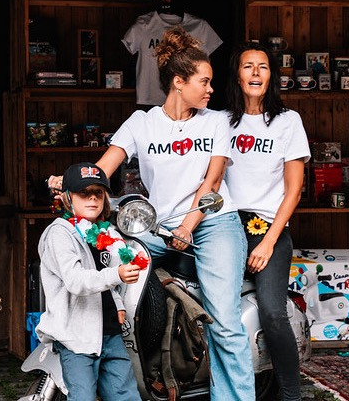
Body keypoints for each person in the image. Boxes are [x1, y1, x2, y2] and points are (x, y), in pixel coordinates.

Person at [94, 26, 255, 401]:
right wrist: (72, 184)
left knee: (224, 321)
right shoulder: (142, 123)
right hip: (160, 227)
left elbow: (212, 181)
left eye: (211, 82)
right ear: (179, 83)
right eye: (205, 82)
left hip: (213, 223)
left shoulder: (215, 121)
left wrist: (188, 224)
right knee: (113, 273)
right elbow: (102, 170)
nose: (211, 89)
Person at [220, 44, 310, 401]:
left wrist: (269, 241)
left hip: (268, 229)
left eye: (263, 67)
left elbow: (294, 190)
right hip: (224, 227)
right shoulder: (219, 120)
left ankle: (291, 395)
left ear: (271, 75)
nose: (255, 73)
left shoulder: (288, 121)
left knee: (273, 313)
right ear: (237, 75)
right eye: (247, 67)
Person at [37, 162, 146, 401]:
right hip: (77, 336)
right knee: (83, 397)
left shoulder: (105, 232)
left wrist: (117, 302)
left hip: (110, 331)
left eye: (98, 193)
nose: (92, 199)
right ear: (67, 197)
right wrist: (116, 274)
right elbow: (76, 280)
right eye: (84, 193)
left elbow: (104, 271)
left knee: (126, 395)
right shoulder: (60, 233)